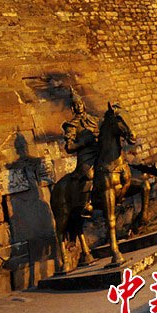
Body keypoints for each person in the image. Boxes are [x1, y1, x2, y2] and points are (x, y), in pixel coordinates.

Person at [62, 88, 99, 218]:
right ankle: (85, 205)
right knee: (89, 175)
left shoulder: (94, 119)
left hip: (99, 151)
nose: (79, 106)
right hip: (85, 157)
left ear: (84, 104)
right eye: (76, 104)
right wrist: (83, 142)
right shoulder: (71, 125)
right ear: (73, 108)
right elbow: (69, 147)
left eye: (80, 103)